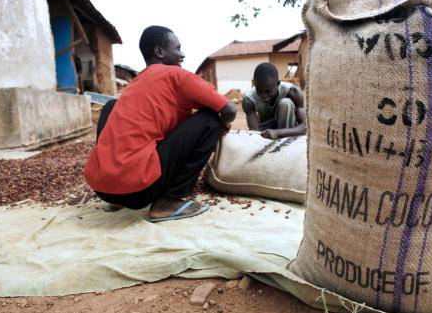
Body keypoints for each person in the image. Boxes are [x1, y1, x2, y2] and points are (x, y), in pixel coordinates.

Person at [84, 25, 236, 222]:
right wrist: (223, 123)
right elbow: (229, 110)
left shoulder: (136, 82)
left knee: (111, 106)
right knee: (211, 119)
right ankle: (168, 201)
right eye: (178, 48)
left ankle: (116, 198)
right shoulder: (176, 74)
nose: (182, 55)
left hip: (101, 188)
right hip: (139, 191)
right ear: (160, 51)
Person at [242, 62, 306, 139]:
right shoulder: (249, 100)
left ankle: (284, 140)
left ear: (277, 84)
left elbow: (306, 126)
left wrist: (278, 132)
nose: (263, 96)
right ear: (254, 85)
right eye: (259, 91)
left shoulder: (293, 92)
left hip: (289, 129)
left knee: (286, 103)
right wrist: (264, 133)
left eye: (268, 91)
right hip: (266, 129)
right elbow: (255, 132)